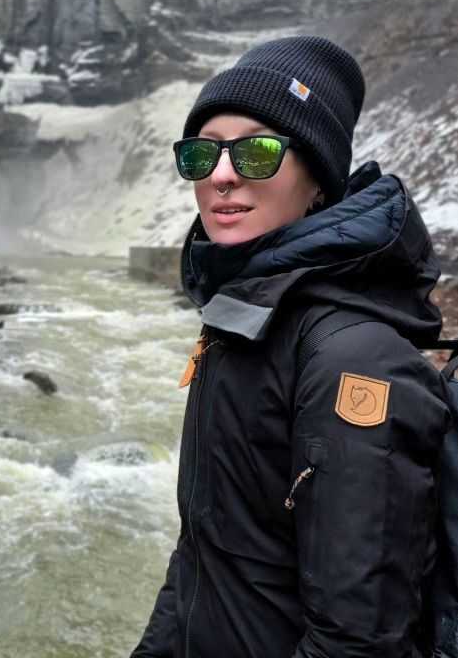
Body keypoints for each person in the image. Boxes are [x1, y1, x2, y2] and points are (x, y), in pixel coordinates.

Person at [131, 35, 451, 658]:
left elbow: (357, 642)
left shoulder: (352, 360)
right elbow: (201, 551)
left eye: (257, 151)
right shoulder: (238, 323)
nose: (221, 175)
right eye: (202, 153)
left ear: (319, 182)